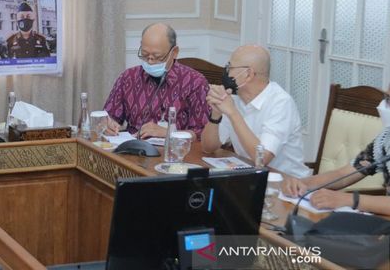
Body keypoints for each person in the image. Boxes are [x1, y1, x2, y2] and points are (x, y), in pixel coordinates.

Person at [201, 45, 311, 178]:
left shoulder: (281, 103)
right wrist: (216, 114)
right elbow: (208, 148)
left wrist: (233, 113)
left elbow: (262, 158)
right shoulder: (234, 99)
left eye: (230, 67)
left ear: (248, 74)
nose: (226, 72)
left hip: (287, 185)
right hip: (250, 178)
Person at [282, 88, 390, 215]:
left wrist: (350, 199)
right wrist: (302, 183)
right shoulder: (386, 138)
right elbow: (343, 174)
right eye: (387, 98)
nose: (386, 105)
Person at [103, 23, 210, 140]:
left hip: (174, 152)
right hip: (132, 150)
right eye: (145, 55)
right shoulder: (128, 77)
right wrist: (108, 124)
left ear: (174, 52)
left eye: (157, 57)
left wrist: (169, 133)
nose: (150, 61)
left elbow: (203, 133)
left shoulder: (195, 82)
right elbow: (109, 116)